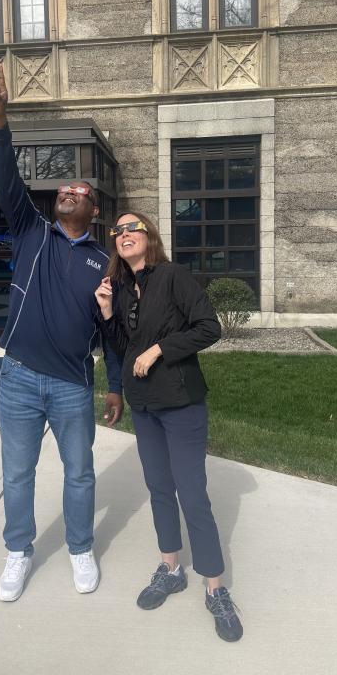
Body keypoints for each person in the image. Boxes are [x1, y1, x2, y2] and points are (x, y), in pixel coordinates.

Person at [0, 64, 123, 602]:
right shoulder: (29, 231)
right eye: (62, 189)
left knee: (80, 473)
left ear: (93, 209)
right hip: (17, 378)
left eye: (78, 190)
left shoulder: (103, 262)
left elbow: (111, 333)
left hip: (70, 384)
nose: (67, 191)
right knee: (17, 475)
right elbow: (7, 179)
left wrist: (115, 387)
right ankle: (19, 551)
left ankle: (81, 548)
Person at [94, 212, 243, 642]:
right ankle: (171, 568)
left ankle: (215, 588)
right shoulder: (121, 290)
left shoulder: (174, 277)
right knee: (159, 488)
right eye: (117, 232)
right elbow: (123, 347)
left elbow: (208, 328)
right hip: (145, 407)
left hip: (181, 404)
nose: (123, 235)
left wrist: (160, 349)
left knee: (192, 493)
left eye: (130, 228)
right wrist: (106, 312)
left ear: (148, 237)